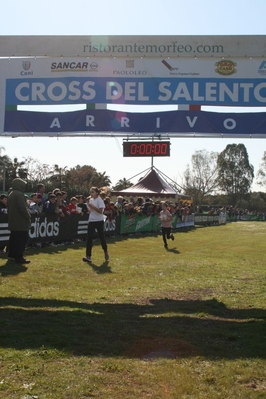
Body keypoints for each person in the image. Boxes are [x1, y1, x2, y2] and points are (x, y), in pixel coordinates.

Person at [7, 178, 31, 263]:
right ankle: (19, 256)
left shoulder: (11, 194)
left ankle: (11, 255)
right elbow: (22, 208)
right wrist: (28, 216)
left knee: (14, 239)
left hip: (13, 221)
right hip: (20, 222)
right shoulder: (19, 194)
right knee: (23, 238)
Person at [83, 186, 109, 263]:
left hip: (99, 221)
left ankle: (105, 251)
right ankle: (88, 256)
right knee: (89, 238)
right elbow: (90, 210)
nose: (91, 193)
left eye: (93, 192)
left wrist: (92, 207)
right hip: (91, 220)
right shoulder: (91, 199)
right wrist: (89, 207)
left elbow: (101, 211)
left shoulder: (99, 200)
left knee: (101, 237)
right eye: (90, 192)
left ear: (97, 193)